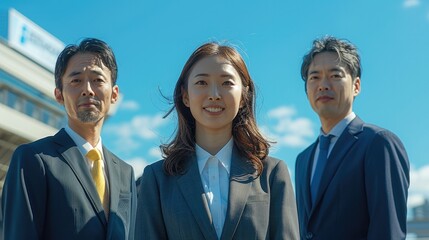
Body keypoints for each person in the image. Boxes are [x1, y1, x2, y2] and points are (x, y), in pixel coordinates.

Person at [135, 42, 299, 240]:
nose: (214, 95)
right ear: (185, 95)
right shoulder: (157, 179)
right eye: (202, 83)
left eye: (227, 83)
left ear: (243, 96)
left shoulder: (272, 174)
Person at [1, 38, 137, 240]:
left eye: (98, 80)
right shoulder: (32, 159)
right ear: (59, 95)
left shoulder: (126, 173)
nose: (88, 89)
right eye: (76, 80)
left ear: (114, 94)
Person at [295, 36, 410, 239]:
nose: (323, 85)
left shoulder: (378, 143)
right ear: (306, 90)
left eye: (335, 75)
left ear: (356, 86)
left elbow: (387, 231)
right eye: (314, 77)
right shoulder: (303, 159)